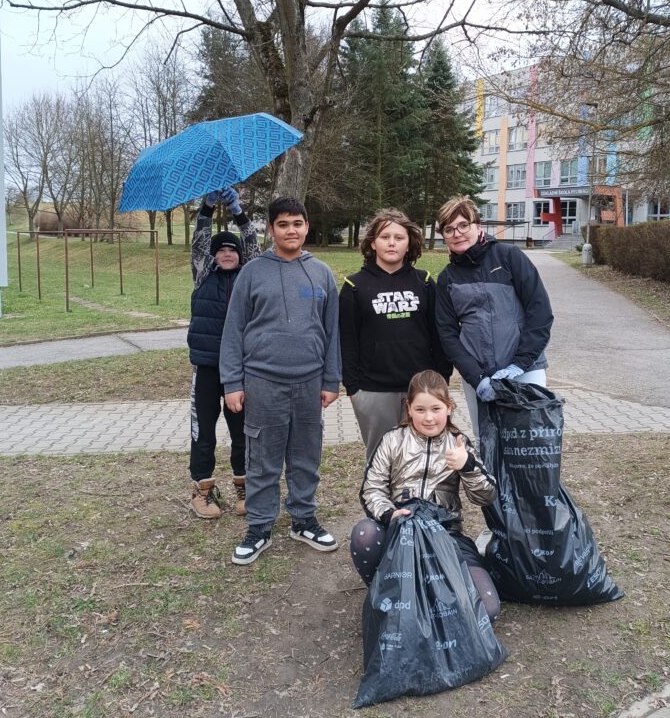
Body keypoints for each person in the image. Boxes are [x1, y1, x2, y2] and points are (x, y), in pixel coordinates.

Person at [220, 196, 341, 565]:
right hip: (262, 382)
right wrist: (232, 383)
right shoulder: (252, 273)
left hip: (309, 383)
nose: (291, 230)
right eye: (283, 224)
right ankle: (259, 526)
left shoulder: (322, 273)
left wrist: (331, 379)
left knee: (306, 455)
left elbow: (332, 332)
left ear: (307, 227)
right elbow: (233, 330)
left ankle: (303, 519)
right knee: (262, 458)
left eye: (297, 223)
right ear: (271, 229)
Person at [350, 370, 501, 622]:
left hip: (446, 536)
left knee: (487, 608)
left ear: (449, 408)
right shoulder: (392, 439)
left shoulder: (459, 444)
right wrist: (390, 515)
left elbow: (485, 496)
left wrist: (467, 466)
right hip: (400, 534)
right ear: (408, 408)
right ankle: (387, 592)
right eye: (420, 409)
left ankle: (429, 601)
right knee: (365, 534)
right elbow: (372, 488)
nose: (429, 418)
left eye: (436, 409)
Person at [435, 195, 553, 441]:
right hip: (480, 377)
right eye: (449, 229)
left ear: (477, 225)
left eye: (463, 225)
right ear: (444, 235)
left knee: (529, 441)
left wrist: (520, 364)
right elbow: (447, 333)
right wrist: (476, 378)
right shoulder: (447, 278)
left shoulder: (509, 256)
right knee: (487, 441)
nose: (457, 233)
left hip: (525, 369)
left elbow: (539, 312)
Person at [339, 208, 452, 461]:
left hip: (422, 388)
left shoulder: (424, 282)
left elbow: (439, 334)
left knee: (424, 458)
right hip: (373, 391)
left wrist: (442, 378)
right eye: (385, 237)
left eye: (399, 237)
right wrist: (353, 388)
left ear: (409, 243)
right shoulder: (354, 286)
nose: (392, 243)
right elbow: (347, 341)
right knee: (382, 460)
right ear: (373, 243)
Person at [187, 186, 260, 519]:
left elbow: (253, 243)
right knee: (203, 431)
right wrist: (207, 208)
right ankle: (202, 490)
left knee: (242, 430)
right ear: (214, 256)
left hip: (241, 369)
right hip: (206, 366)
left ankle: (245, 486)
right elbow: (200, 242)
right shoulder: (203, 274)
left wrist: (238, 212)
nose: (228, 254)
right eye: (222, 250)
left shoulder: (250, 276)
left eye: (233, 250)